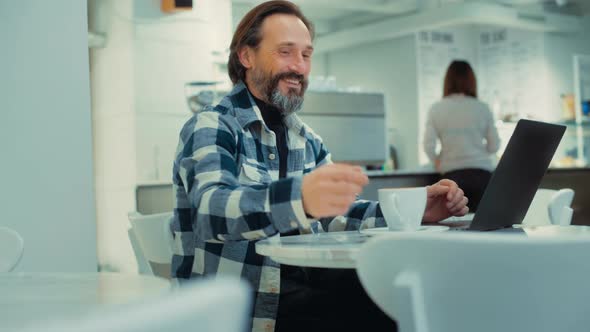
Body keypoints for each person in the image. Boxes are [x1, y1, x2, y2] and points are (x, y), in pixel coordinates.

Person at [170, 2, 468, 331]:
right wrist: (300, 199)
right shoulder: (212, 126)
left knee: (404, 299)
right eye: (286, 52)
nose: (299, 67)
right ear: (246, 56)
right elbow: (211, 213)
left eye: (306, 55)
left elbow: (336, 215)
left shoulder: (307, 140)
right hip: (243, 309)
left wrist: (415, 211)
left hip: (300, 293)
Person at [423, 60, 500, 212]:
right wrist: (477, 151)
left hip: (452, 178)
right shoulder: (482, 108)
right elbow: (494, 146)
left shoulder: (436, 109)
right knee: (485, 225)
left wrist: (437, 160)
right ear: (472, 81)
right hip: (483, 176)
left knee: (453, 225)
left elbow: (428, 145)